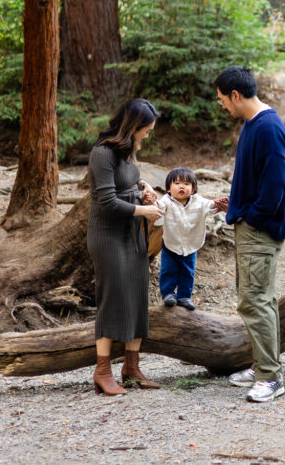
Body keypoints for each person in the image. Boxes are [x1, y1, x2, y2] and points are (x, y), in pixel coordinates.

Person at [214, 66, 285, 403]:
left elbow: (276, 184)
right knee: (257, 297)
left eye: (222, 100)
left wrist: (254, 217)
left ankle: (271, 378)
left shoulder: (268, 127)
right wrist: (236, 202)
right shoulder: (251, 124)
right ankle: (262, 365)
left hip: (259, 229)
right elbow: (257, 177)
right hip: (249, 222)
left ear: (235, 94)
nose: (222, 106)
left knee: (255, 300)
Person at [87, 98, 165, 396]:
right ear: (133, 125)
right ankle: (102, 370)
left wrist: (144, 189)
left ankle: (131, 368)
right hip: (108, 234)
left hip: (132, 233)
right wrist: (143, 212)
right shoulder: (102, 152)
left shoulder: (129, 150)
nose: (148, 134)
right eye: (146, 129)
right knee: (112, 299)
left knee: (137, 294)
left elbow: (129, 181)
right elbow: (106, 200)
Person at [154, 166, 227, 311]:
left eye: (187, 184)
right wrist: (151, 203)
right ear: (168, 188)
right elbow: (158, 209)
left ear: (193, 190)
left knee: (188, 271)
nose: (182, 186)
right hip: (171, 244)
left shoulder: (198, 201)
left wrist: (218, 203)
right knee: (168, 269)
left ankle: (184, 296)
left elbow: (209, 205)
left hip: (191, 245)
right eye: (177, 183)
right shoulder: (166, 201)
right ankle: (168, 294)